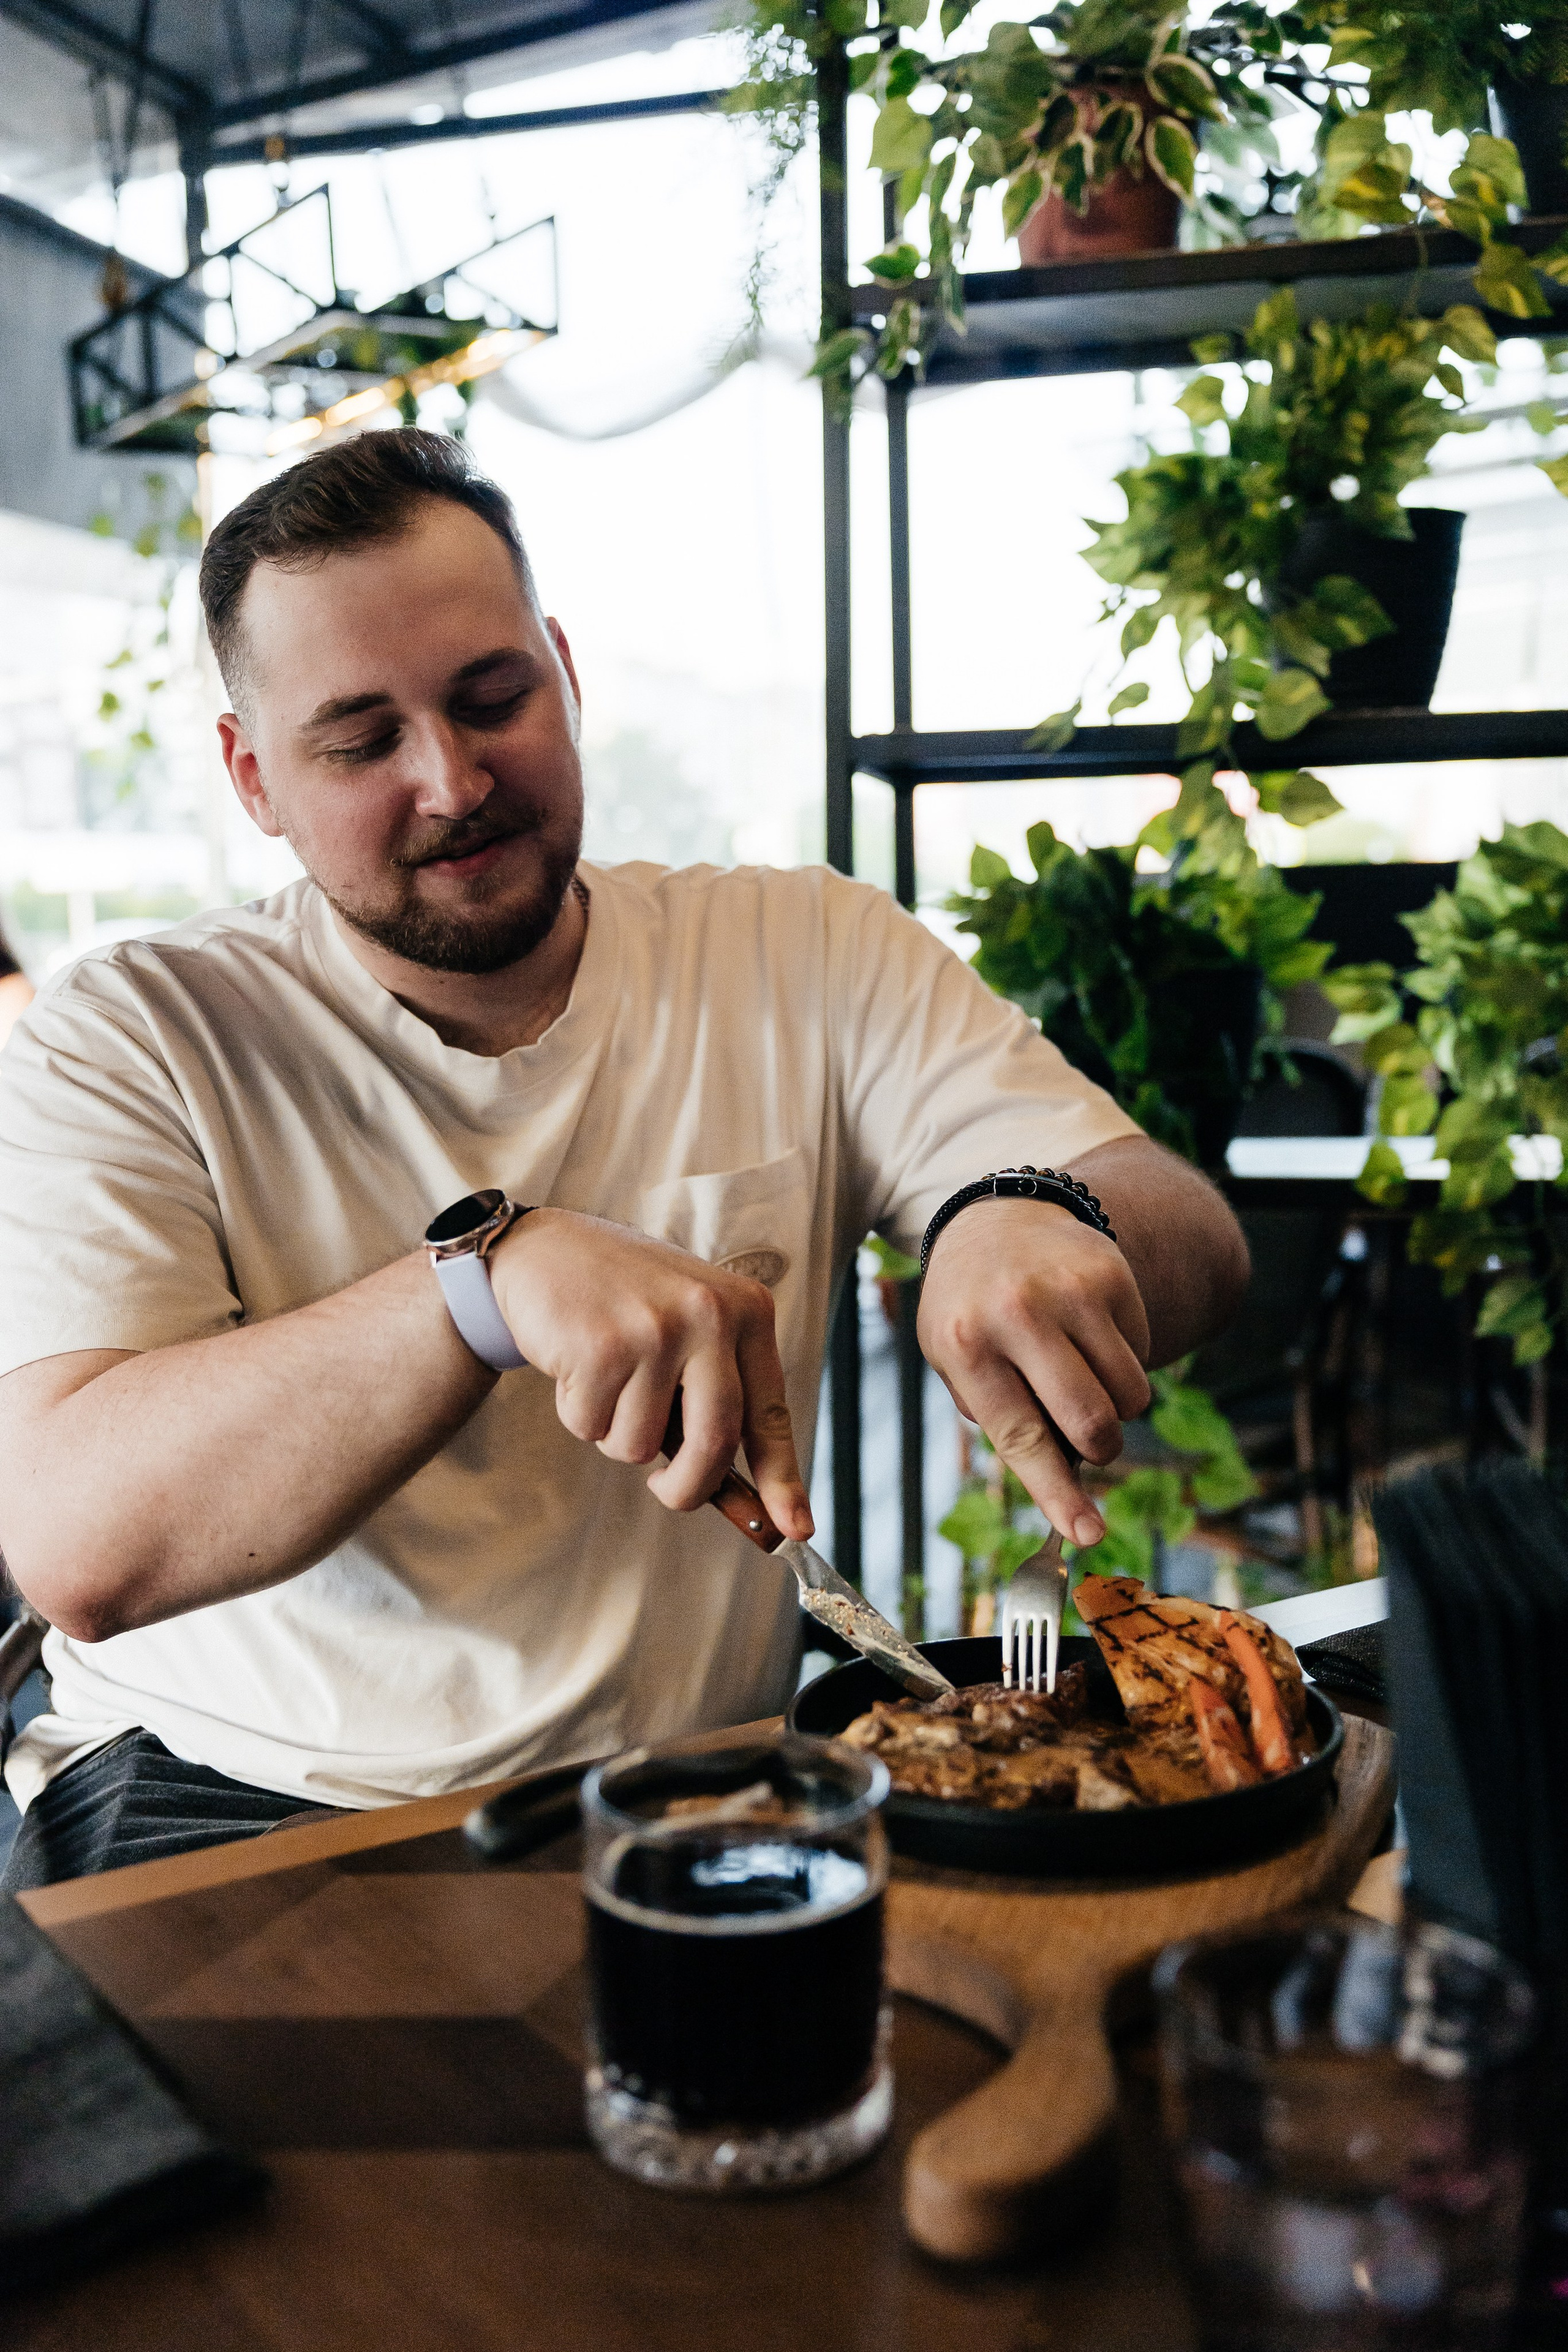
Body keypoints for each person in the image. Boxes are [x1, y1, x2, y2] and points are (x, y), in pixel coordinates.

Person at [0, 430, 1247, 1891]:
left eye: (492, 698)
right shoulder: (132, 1032)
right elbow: (81, 1548)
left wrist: (1026, 1207)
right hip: (228, 1785)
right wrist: (481, 1290)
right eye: (359, 741)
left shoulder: (803, 950)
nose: (452, 781)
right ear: (253, 776)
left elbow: (1195, 1245)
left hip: (691, 1785)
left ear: (565, 672)